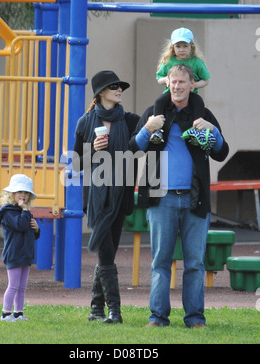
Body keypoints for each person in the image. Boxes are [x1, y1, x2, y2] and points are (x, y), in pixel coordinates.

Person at [129, 64, 229, 328]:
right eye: (173, 82)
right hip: (161, 199)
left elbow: (221, 151)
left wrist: (213, 131)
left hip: (195, 199)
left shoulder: (203, 114)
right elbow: (132, 149)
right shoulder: (153, 113)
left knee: (195, 263)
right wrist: (147, 129)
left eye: (182, 82)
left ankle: (195, 318)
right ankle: (157, 317)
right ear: (167, 84)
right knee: (161, 261)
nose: (177, 87)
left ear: (192, 84)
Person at [72, 70, 140, 324]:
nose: (119, 90)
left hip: (121, 194)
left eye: (120, 86)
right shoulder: (85, 122)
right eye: (114, 87)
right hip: (97, 198)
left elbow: (143, 144)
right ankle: (115, 311)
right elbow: (77, 164)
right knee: (106, 251)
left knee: (107, 254)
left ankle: (96, 309)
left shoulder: (132, 120)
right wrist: (92, 149)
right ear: (101, 93)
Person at [0, 174, 40, 322]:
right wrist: (25, 211)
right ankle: (5, 313)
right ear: (12, 193)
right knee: (13, 286)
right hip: (14, 254)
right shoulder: (7, 212)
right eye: (20, 191)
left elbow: (31, 235)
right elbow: (20, 226)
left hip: (25, 254)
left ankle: (18, 313)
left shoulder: (25, 212)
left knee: (22, 287)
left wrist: (36, 229)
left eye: (26, 192)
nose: (23, 195)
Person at [153, 27, 210, 141]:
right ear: (173, 47)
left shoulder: (196, 62)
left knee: (199, 102)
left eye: (185, 46)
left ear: (191, 46)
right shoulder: (169, 61)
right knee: (159, 101)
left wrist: (194, 85)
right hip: (171, 93)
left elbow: (206, 80)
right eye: (178, 46)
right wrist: (165, 80)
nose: (181, 50)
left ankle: (198, 131)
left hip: (190, 94)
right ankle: (157, 130)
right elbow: (159, 78)